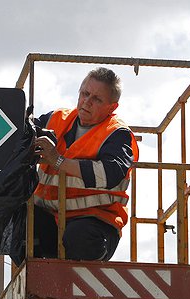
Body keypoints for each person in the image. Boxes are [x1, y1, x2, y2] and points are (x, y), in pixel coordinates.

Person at [32, 66, 139, 261]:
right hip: (49, 217)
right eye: (85, 93)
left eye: (96, 99)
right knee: (17, 217)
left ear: (112, 107)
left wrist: (58, 160)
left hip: (95, 221)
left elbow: (111, 173)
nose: (86, 102)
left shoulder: (117, 134)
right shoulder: (56, 119)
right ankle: (36, 274)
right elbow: (22, 132)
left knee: (79, 236)